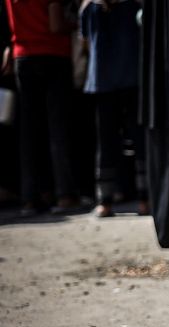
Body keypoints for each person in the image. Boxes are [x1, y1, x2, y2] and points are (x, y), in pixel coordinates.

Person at [4, 0, 79, 216]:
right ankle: (64, 194)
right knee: (58, 128)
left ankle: (30, 198)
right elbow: (56, 25)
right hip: (53, 55)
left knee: (29, 132)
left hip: (23, 55)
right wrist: (74, 24)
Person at [79, 0, 147, 217]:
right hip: (130, 77)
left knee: (106, 140)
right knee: (138, 137)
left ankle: (105, 200)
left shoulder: (90, 8)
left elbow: (85, 43)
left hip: (104, 80)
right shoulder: (133, 6)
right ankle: (145, 197)